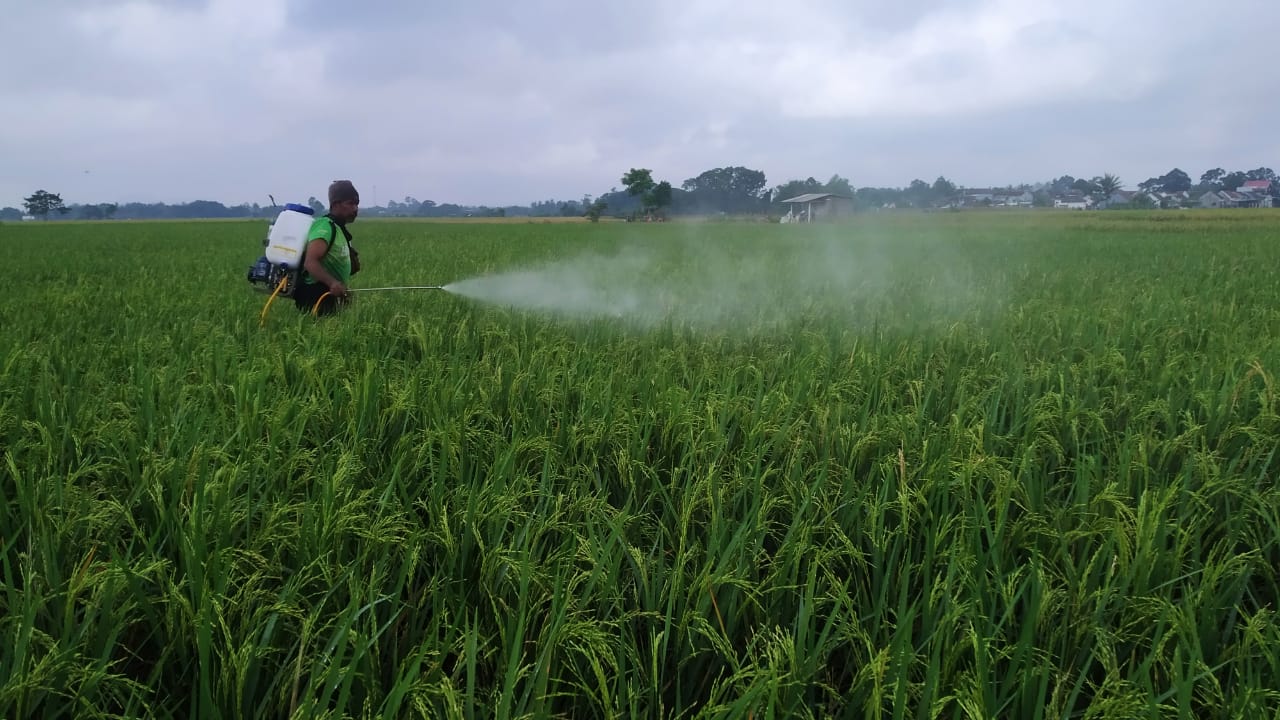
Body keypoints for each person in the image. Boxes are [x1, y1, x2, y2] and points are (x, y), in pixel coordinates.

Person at [293, 180, 362, 316]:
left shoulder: (340, 229)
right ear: (336, 204)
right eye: (350, 203)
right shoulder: (325, 226)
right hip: (315, 295)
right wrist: (333, 283)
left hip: (330, 295)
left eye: (357, 204)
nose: (355, 209)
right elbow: (310, 262)